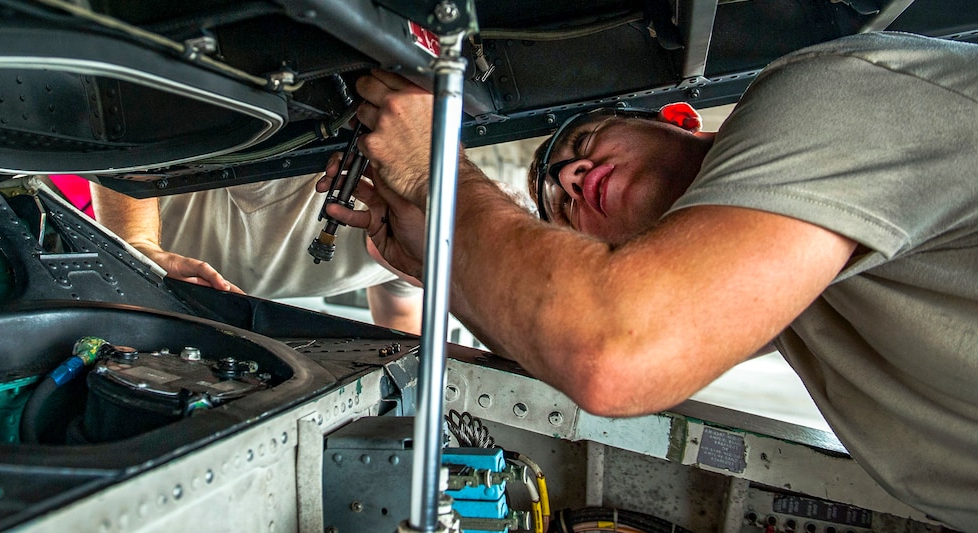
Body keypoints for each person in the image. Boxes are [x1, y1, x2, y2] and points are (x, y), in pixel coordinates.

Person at [319, 31, 978, 531]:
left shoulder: (825, 96)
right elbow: (579, 333)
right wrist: (444, 261)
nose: (571, 180)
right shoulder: (789, 289)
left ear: (677, 116)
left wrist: (438, 174)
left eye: (582, 145)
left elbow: (615, 347)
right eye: (561, 210)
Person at [90, 174, 423, 334]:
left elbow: (400, 320)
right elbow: (133, 127)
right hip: (119, 256)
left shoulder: (409, 270)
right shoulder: (308, 180)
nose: (419, 272)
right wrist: (137, 245)